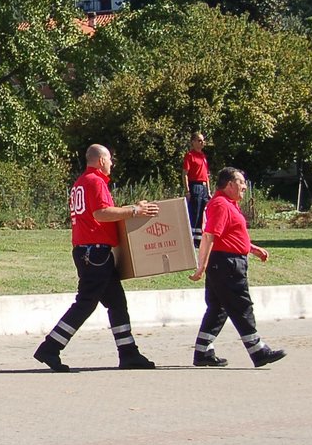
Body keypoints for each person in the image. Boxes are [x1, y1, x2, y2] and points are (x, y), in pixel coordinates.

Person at [33, 144, 159, 372]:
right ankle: (50, 347)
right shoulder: (95, 181)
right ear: (101, 160)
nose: (112, 163)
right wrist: (135, 210)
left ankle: (128, 353)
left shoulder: (80, 183)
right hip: (95, 252)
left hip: (90, 251)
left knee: (117, 303)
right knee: (85, 303)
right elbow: (101, 213)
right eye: (109, 159)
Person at [188, 167, 286, 368]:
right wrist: (202, 266)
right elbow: (209, 236)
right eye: (241, 182)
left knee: (218, 308)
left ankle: (203, 351)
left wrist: (252, 249)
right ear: (230, 184)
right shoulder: (221, 205)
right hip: (227, 264)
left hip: (227, 261)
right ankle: (258, 351)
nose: (244, 186)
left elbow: (229, 236)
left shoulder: (228, 204)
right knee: (241, 306)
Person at [183, 132, 211, 248]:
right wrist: (187, 190)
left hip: (204, 186)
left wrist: (208, 191)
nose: (202, 143)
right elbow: (185, 173)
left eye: (202, 140)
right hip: (195, 186)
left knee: (201, 214)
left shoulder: (203, 156)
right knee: (194, 212)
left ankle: (198, 240)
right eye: (199, 140)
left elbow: (206, 175)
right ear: (193, 142)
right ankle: (191, 239)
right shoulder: (190, 156)